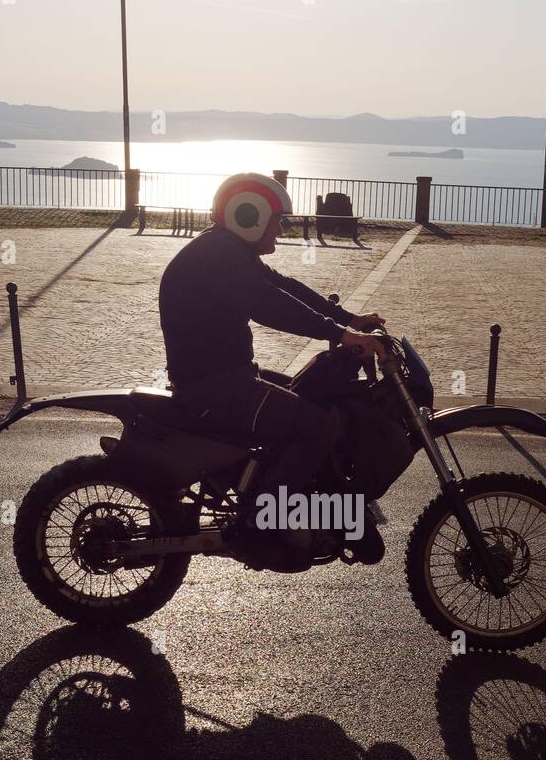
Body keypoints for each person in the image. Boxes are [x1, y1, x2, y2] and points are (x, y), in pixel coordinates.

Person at [158, 173, 386, 562]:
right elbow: (270, 305)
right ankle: (261, 524)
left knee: (313, 399)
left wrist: (347, 320)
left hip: (228, 378)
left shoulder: (228, 250)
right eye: (276, 219)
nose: (280, 228)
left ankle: (312, 508)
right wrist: (341, 335)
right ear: (249, 216)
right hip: (214, 388)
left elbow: (286, 288)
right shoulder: (218, 256)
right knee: (317, 425)